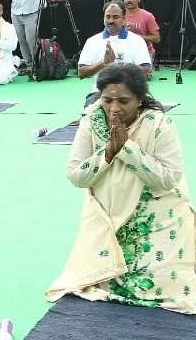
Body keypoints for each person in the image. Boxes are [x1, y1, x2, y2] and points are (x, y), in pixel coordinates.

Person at [47, 62, 196, 313]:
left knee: (164, 288)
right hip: (107, 215)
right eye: (107, 101)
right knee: (99, 280)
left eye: (124, 101)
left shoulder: (159, 124)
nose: (114, 109)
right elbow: (76, 176)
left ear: (139, 99)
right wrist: (107, 153)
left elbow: (169, 179)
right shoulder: (91, 122)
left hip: (157, 216)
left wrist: (127, 150)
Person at [78, 0, 151, 106]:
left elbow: (145, 70)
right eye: (107, 17)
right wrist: (104, 63)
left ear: (124, 19)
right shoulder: (92, 41)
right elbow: (82, 72)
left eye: (115, 17)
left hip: (129, 92)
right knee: (89, 113)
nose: (111, 20)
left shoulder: (137, 40)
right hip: (101, 93)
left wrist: (116, 67)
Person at [122, 0, 161, 69]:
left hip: (145, 53)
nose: (129, 0)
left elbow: (157, 39)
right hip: (124, 53)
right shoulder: (119, 16)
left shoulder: (147, 16)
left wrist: (134, 35)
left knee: (139, 76)